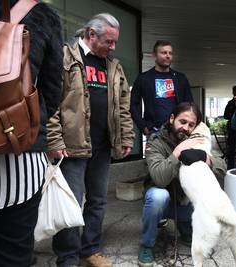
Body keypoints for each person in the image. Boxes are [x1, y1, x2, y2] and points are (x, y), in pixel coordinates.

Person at [47, 13, 134, 267]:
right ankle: (68, 257)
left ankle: (89, 250)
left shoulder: (114, 66)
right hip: (71, 148)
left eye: (115, 42)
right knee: (71, 203)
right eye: (109, 41)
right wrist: (54, 139)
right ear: (91, 34)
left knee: (98, 201)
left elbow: (123, 107)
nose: (113, 47)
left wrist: (126, 136)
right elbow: (50, 100)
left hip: (102, 146)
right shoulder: (65, 57)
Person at [0, 0, 63, 266]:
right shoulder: (39, 14)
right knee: (13, 253)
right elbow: (52, 90)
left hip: (20, 159)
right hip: (19, 155)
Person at [138, 102, 226, 267]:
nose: (186, 128)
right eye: (182, 122)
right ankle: (146, 245)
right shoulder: (154, 142)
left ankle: (186, 229)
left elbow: (222, 168)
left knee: (208, 195)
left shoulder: (195, 140)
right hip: (161, 202)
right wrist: (178, 151)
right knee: (158, 196)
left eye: (191, 125)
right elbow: (159, 178)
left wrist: (205, 158)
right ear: (172, 119)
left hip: (184, 201)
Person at [130, 40, 194, 137]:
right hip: (154, 131)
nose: (168, 56)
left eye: (170, 53)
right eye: (164, 53)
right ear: (154, 55)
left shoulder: (180, 78)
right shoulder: (143, 78)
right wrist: (143, 126)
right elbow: (133, 105)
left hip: (178, 131)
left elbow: (190, 104)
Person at [223, 85, 236, 169]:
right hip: (232, 129)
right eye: (235, 92)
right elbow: (225, 116)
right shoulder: (230, 103)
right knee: (232, 148)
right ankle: (231, 167)